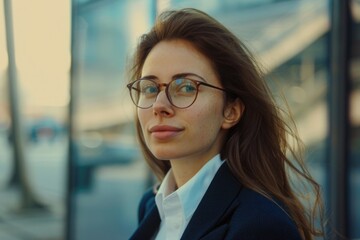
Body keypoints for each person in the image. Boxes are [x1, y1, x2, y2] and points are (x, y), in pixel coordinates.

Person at [126, 8, 324, 240]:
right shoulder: (151, 206)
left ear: (231, 111)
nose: (159, 105)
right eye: (150, 88)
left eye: (186, 87)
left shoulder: (260, 225)